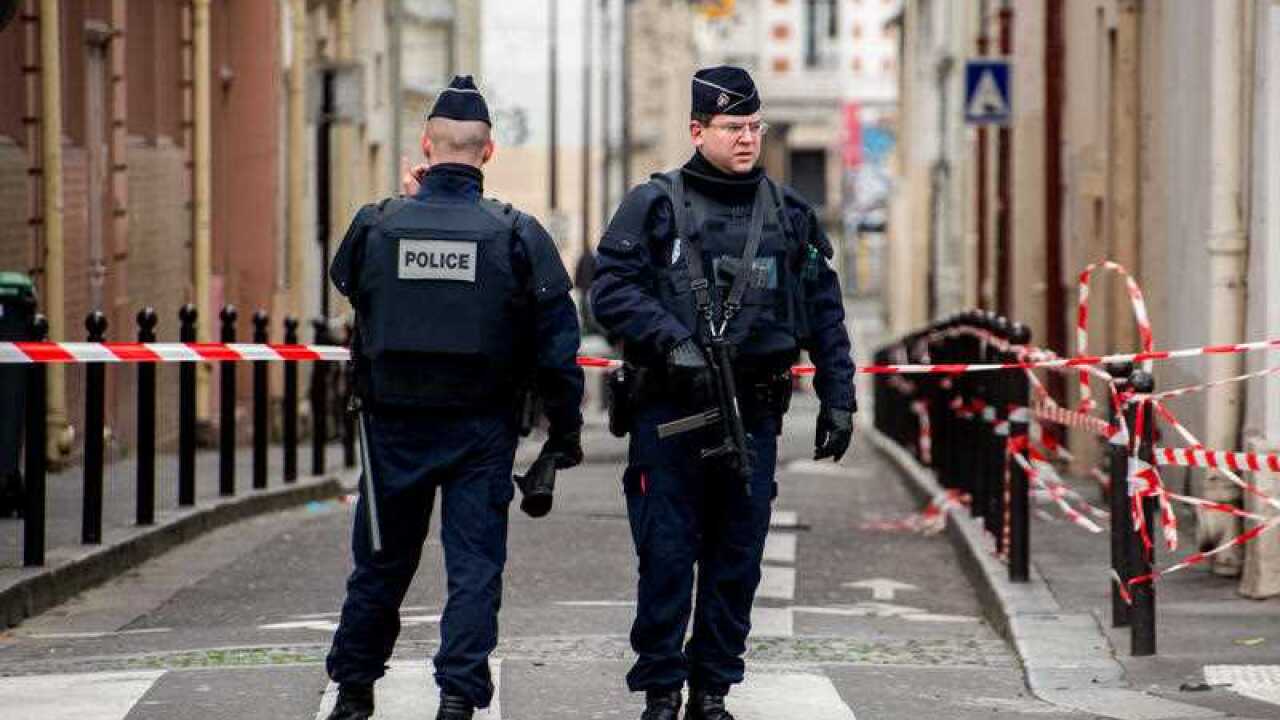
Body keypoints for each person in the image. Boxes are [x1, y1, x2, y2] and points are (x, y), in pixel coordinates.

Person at [589, 66, 856, 720]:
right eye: (732, 127)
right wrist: (670, 338)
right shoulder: (653, 205)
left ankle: (712, 691)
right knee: (666, 560)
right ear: (697, 130)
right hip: (670, 415)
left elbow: (824, 310)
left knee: (735, 564)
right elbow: (611, 289)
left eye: (754, 127)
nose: (746, 139)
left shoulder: (791, 215)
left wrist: (838, 395)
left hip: (754, 415)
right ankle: (660, 690)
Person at [325, 75, 585, 720]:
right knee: (473, 571)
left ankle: (355, 693)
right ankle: (457, 700)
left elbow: (350, 280)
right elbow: (558, 343)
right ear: (488, 153)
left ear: (426, 144)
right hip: (481, 429)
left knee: (380, 566)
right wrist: (565, 431)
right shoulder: (518, 234)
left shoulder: (377, 223)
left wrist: (411, 207)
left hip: (393, 426)